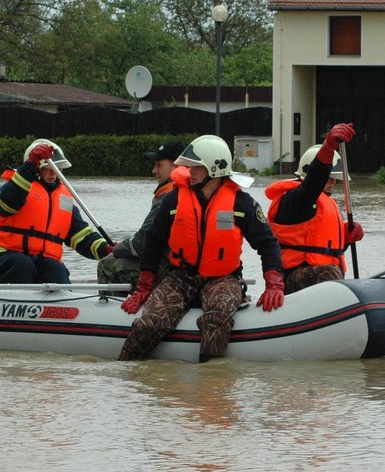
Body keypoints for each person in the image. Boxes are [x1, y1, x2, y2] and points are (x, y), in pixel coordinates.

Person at [118, 135, 285, 362]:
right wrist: (144, 286)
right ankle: (128, 377)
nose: (189, 171)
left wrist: (274, 284)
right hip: (180, 277)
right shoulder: (174, 199)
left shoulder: (241, 202)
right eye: (188, 166)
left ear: (215, 169)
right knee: (150, 323)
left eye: (196, 167)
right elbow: (153, 241)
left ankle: (210, 387)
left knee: (217, 320)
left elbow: (268, 244)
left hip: (223, 278)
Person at [0, 138, 113, 284]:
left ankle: (61, 304)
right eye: (48, 168)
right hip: (4, 254)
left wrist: (105, 249)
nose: (53, 173)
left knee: (56, 269)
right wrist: (28, 168)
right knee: (23, 265)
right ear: (36, 168)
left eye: (57, 169)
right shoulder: (18, 187)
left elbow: (80, 235)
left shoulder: (64, 199)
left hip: (42, 260)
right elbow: (4, 204)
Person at [264, 123, 364, 295]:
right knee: (328, 272)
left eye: (334, 178)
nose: (332, 182)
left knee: (330, 272)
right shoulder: (296, 199)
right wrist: (329, 147)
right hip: (292, 277)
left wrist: (346, 239)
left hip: (318, 277)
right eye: (329, 177)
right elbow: (314, 182)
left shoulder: (320, 202)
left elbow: (319, 246)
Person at [96, 141, 185, 288]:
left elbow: (143, 242)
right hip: (181, 267)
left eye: (159, 165)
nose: (154, 170)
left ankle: (114, 307)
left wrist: (117, 249)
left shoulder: (167, 197)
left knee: (106, 265)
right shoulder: (188, 191)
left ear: (176, 166)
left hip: (167, 269)